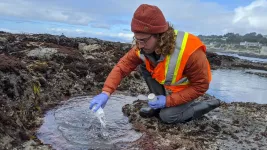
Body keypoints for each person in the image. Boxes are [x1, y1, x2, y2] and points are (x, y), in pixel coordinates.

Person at [89, 4, 220, 124]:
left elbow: (201, 86)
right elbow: (122, 67)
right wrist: (106, 92)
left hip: (189, 89)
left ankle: (208, 104)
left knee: (167, 117)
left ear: (160, 35)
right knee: (144, 65)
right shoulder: (142, 47)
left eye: (144, 40)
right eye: (137, 39)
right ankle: (156, 104)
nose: (139, 45)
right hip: (171, 89)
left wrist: (168, 101)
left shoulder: (190, 51)